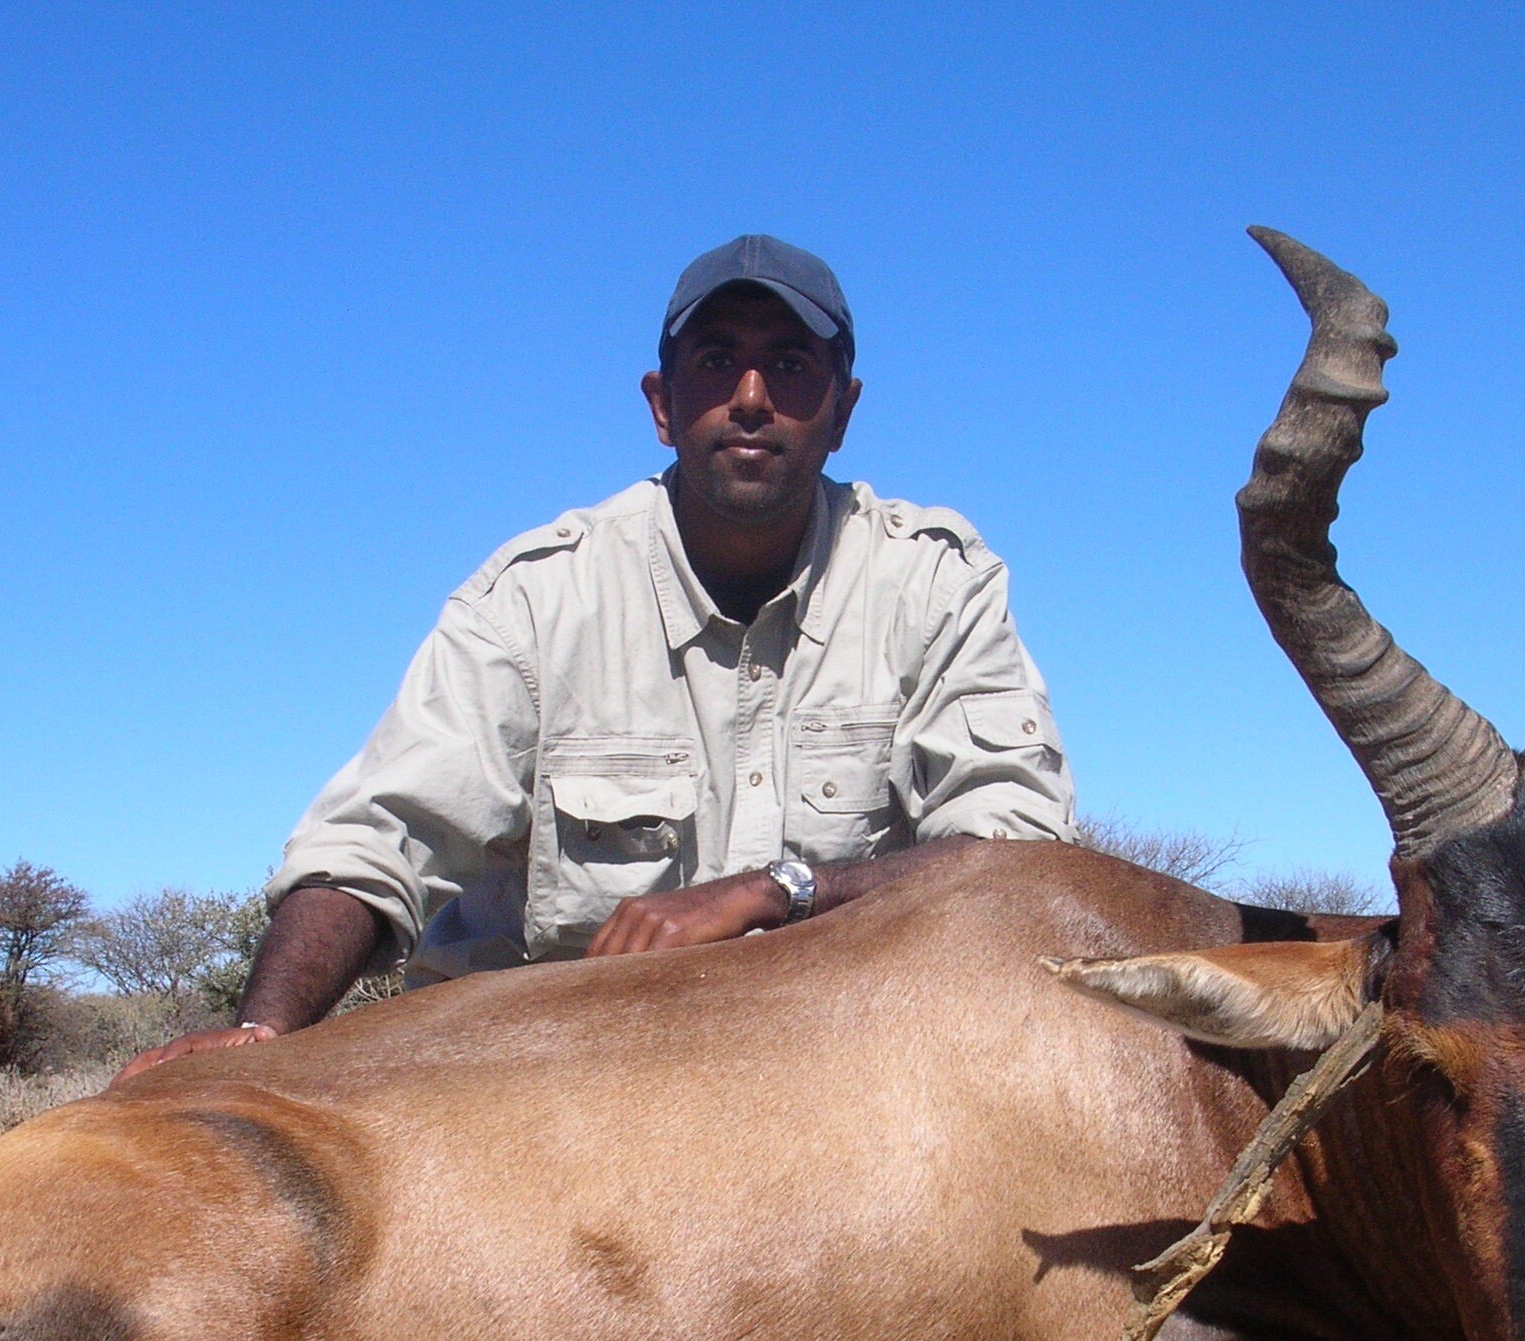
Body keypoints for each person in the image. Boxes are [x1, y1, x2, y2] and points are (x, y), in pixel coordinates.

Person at [116, 235, 1074, 1084]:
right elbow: (380, 841)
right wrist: (265, 1024)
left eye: (789, 365)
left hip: (832, 1076)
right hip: (551, 1082)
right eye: (715, 363)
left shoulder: (935, 581)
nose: (750, 399)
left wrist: (782, 890)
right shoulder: (532, 597)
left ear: (844, 409)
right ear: (662, 405)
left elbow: (1019, 862)